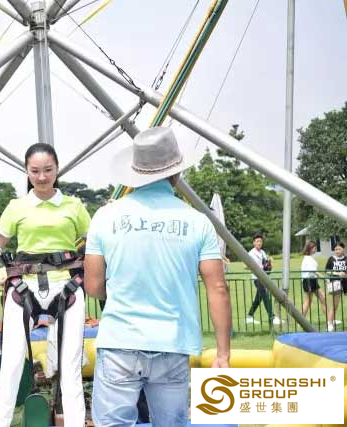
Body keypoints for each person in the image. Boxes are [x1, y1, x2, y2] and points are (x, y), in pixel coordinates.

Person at [84, 127, 231, 426]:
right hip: (172, 342)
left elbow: (94, 286)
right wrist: (223, 354)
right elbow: (218, 288)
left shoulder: (105, 217)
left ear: (135, 173)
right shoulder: (198, 222)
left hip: (120, 341)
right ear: (176, 173)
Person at [0, 142, 91, 426]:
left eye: (48, 170)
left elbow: (95, 242)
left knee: (69, 367)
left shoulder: (74, 205)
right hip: (24, 290)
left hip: (66, 287)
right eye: (35, 171)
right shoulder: (17, 207)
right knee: (11, 365)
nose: (42, 177)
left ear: (57, 170)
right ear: (27, 171)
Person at [246, 234, 281, 326]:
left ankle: (249, 316)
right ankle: (272, 317)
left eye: (261, 241)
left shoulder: (262, 252)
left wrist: (269, 262)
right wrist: (258, 267)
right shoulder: (251, 253)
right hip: (257, 278)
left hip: (264, 277)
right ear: (254, 243)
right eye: (257, 241)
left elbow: (266, 264)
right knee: (265, 297)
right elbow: (246, 265)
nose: (259, 243)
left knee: (258, 299)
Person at [300, 241, 327, 321]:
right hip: (309, 281)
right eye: (314, 247)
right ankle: (300, 320)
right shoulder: (308, 258)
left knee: (323, 298)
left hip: (312, 280)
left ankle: (330, 320)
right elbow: (312, 271)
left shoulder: (309, 258)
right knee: (308, 301)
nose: (315, 249)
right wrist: (323, 277)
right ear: (310, 249)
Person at [325, 242, 347, 332]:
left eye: (339, 249)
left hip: (345, 283)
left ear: (343, 249)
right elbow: (327, 271)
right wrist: (337, 273)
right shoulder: (331, 259)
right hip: (336, 284)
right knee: (334, 305)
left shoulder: (346, 259)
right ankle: (330, 324)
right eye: (335, 249)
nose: (337, 251)